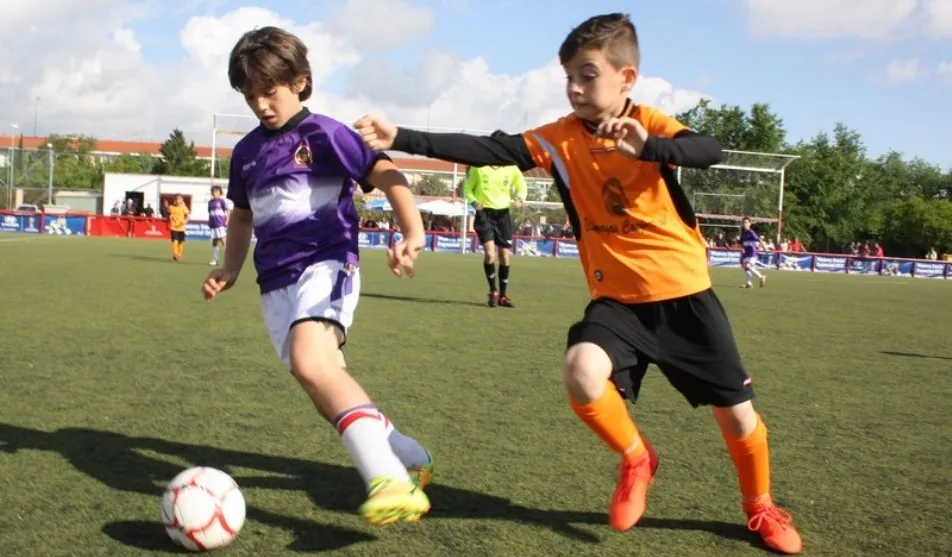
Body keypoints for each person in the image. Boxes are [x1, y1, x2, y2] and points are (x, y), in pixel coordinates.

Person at [354, 12, 802, 554]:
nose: (574, 87)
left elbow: (709, 150)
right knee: (581, 371)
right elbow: (490, 148)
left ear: (626, 78)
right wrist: (399, 135)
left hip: (685, 297)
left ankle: (759, 507)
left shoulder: (650, 124)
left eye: (588, 75)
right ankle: (637, 458)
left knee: (736, 416)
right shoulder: (559, 139)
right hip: (617, 303)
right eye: (569, 76)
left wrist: (651, 148)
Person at [201, 26, 433, 526]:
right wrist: (231, 267)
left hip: (326, 263)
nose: (261, 104)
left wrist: (412, 232)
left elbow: (387, 173)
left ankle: (389, 478)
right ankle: (407, 453)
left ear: (300, 82)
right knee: (322, 381)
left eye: (271, 91)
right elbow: (242, 216)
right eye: (250, 95)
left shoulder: (325, 134)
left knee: (312, 363)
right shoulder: (245, 153)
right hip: (275, 283)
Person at [462, 156, 527, 307]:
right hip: (484, 213)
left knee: (504, 256)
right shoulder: (478, 166)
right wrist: (473, 201)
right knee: (490, 253)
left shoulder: (511, 167)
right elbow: (467, 188)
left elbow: (521, 185)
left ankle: (503, 295)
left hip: (503, 214)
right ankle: (493, 291)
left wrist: (520, 198)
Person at [207, 186, 230, 266]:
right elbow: (210, 213)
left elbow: (228, 210)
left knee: (223, 240)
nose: (214, 193)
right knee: (214, 241)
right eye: (213, 192)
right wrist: (209, 222)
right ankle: (215, 259)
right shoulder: (210, 202)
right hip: (213, 224)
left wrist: (227, 220)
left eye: (216, 192)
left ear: (220, 193)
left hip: (220, 223)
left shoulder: (222, 201)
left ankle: (229, 260)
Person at [740, 218, 766, 288]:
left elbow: (759, 239)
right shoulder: (743, 234)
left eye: (746, 222)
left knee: (748, 266)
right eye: (744, 223)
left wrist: (764, 248)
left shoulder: (751, 232)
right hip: (746, 254)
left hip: (752, 254)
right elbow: (742, 243)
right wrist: (742, 248)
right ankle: (749, 284)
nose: (745, 224)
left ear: (749, 224)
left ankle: (761, 277)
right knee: (746, 268)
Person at [168, 195, 189, 261]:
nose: (178, 201)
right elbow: (167, 214)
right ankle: (175, 254)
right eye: (177, 199)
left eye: (180, 199)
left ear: (182, 200)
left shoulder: (184, 208)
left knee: (180, 242)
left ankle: (179, 255)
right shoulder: (171, 207)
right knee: (175, 240)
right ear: (175, 201)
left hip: (181, 228)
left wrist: (185, 221)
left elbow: (188, 217)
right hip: (174, 227)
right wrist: (170, 216)